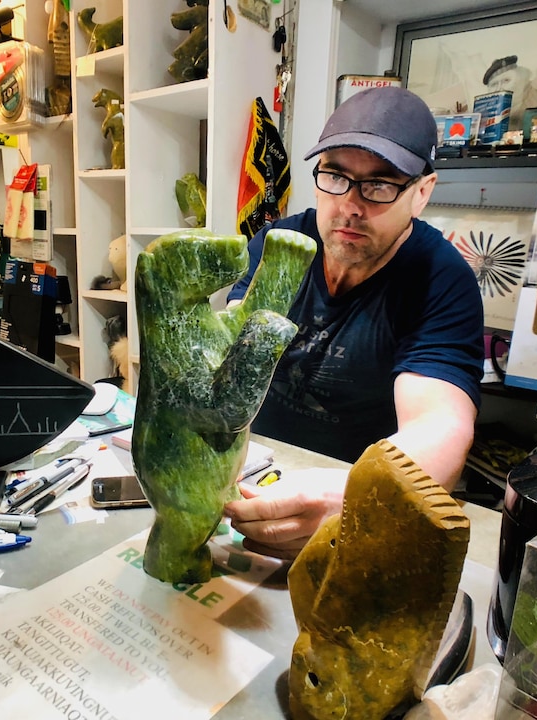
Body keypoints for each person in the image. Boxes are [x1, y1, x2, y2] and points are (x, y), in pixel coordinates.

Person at [223, 86, 485, 559]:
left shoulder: (439, 277)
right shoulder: (277, 244)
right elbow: (229, 353)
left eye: (380, 185)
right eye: (336, 176)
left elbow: (441, 424)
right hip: (252, 474)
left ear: (422, 192)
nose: (351, 205)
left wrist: (359, 495)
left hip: (358, 506)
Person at [483, 55, 537, 131]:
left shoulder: (536, 101)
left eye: (506, 81)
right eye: (494, 84)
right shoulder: (489, 110)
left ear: (521, 80)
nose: (499, 89)